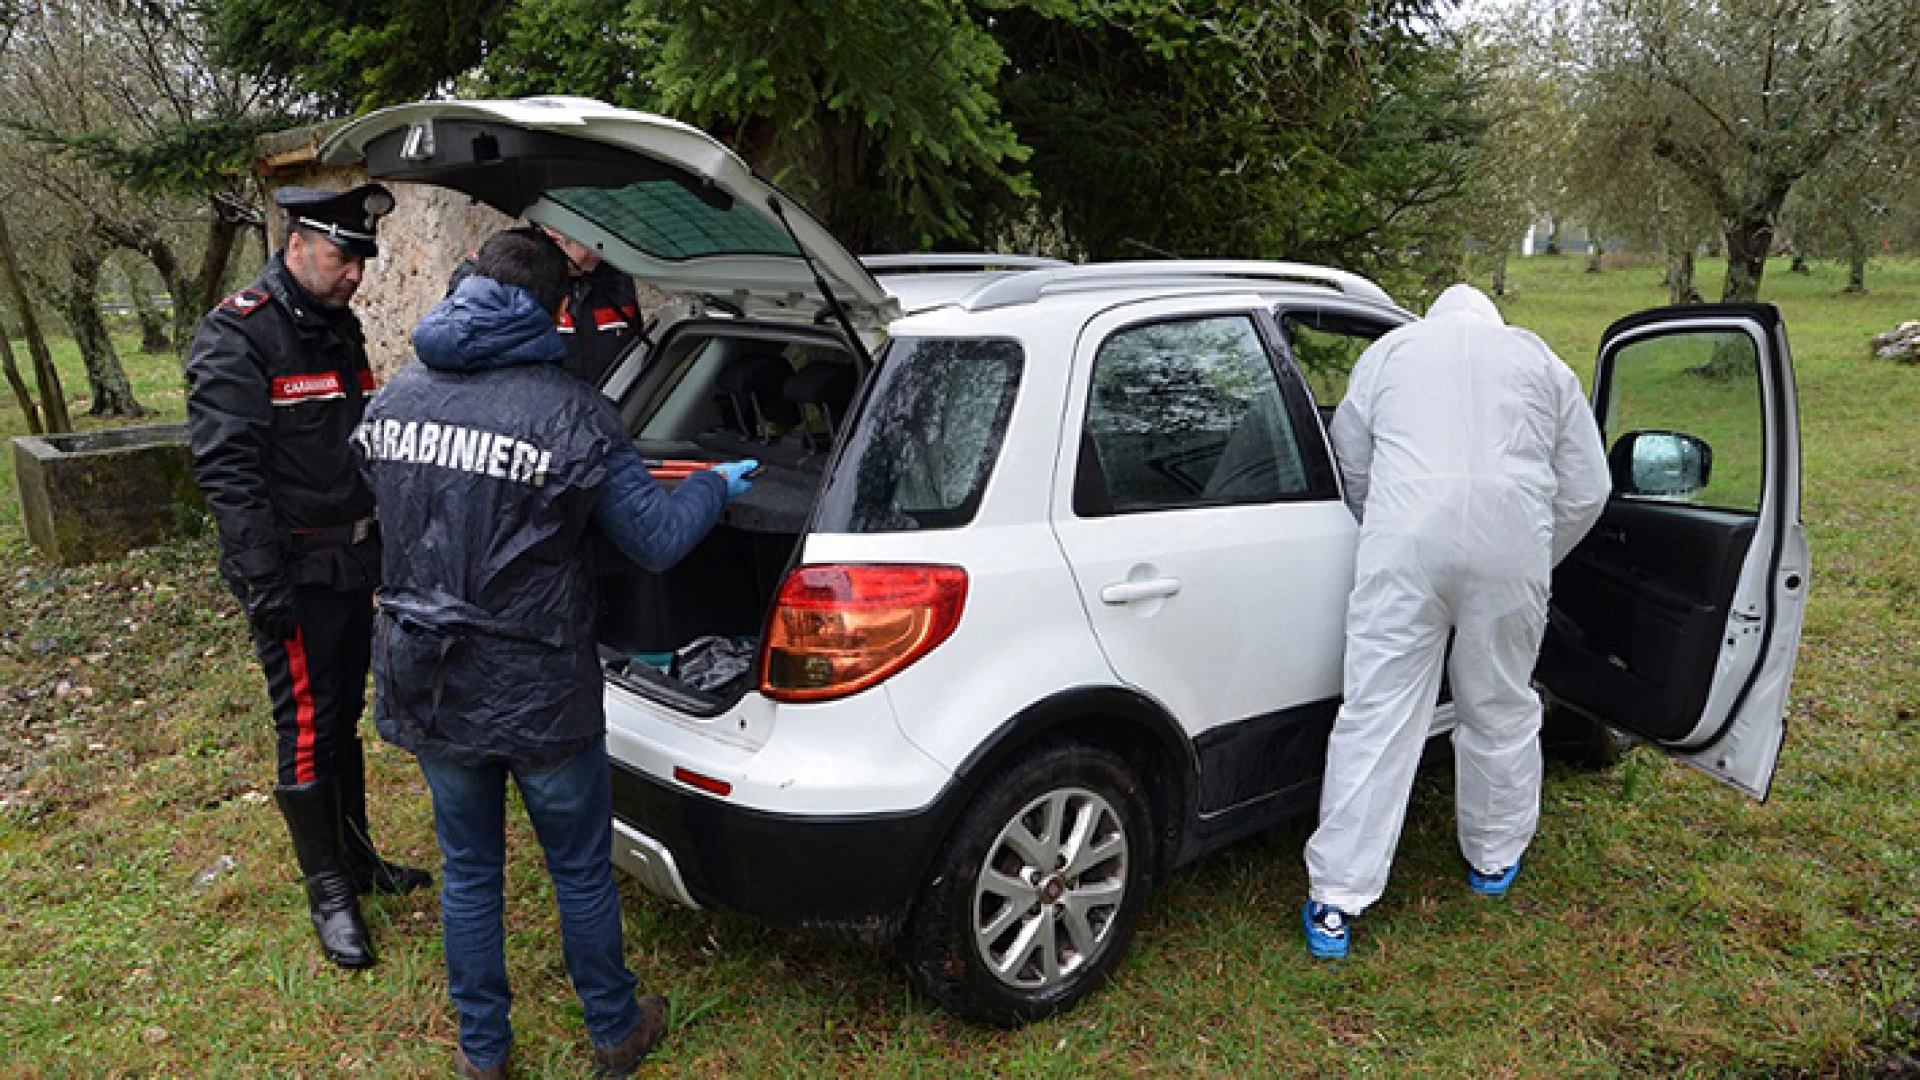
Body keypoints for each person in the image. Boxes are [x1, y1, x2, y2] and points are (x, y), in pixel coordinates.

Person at [358, 227, 756, 1078]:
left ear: (468, 288)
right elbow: (651, 541)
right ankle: (614, 1030)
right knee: (577, 870)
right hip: (539, 688)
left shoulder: (393, 398)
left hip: (429, 677)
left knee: (468, 872)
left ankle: (483, 1055)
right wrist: (714, 490)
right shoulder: (572, 412)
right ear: (549, 308)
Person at [1301, 284, 1611, 960]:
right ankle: (1493, 860)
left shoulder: (1389, 352)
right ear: (1496, 319)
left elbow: (1350, 455)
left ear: (1432, 315)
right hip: (1510, 552)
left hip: (1404, 548)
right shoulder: (1540, 362)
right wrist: (1535, 550)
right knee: (1497, 704)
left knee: (1376, 712)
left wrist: (1385, 524)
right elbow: (1591, 488)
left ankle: (1335, 900)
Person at [184, 184, 430, 972]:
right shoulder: (239, 336)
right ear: (296, 243)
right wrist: (262, 584)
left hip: (353, 559)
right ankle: (329, 894)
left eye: (363, 259)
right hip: (292, 570)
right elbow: (230, 473)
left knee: (342, 714)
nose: (355, 272)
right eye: (342, 255)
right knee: (305, 725)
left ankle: (356, 858)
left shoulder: (335, 327)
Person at [447, 224, 641, 388]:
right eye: (593, 242)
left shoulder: (613, 276)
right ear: (554, 233)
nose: (600, 251)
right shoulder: (497, 273)